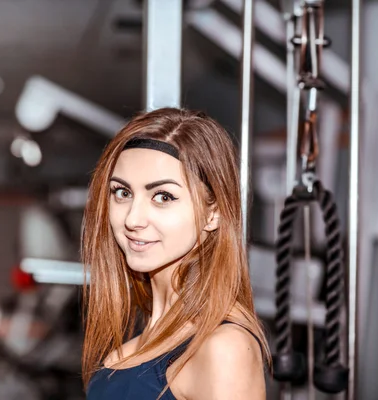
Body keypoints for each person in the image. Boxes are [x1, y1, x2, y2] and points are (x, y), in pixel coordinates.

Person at [81, 108, 270, 399]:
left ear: (213, 214)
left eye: (163, 197)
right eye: (122, 192)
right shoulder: (131, 349)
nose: (132, 219)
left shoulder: (222, 348)